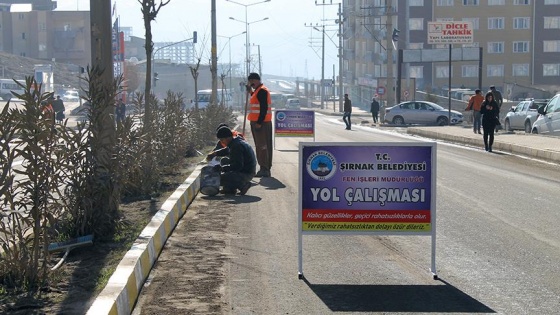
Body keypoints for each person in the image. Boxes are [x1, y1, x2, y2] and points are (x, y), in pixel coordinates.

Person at [215, 126, 256, 195]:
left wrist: (222, 168)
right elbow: (227, 150)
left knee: (220, 178)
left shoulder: (237, 146)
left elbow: (237, 166)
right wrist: (215, 153)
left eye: (222, 140)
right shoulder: (236, 141)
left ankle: (243, 185)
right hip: (246, 170)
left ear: (227, 138)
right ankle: (229, 189)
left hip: (246, 173)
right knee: (224, 160)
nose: (222, 142)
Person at [246, 72, 272, 178]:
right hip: (258, 122)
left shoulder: (262, 91)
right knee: (261, 145)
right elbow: (257, 102)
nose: (251, 83)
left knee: (262, 146)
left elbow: (263, 108)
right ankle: (264, 167)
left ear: (257, 80)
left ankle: (264, 168)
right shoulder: (257, 91)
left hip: (261, 124)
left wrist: (259, 122)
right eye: (250, 81)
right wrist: (250, 92)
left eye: (252, 80)